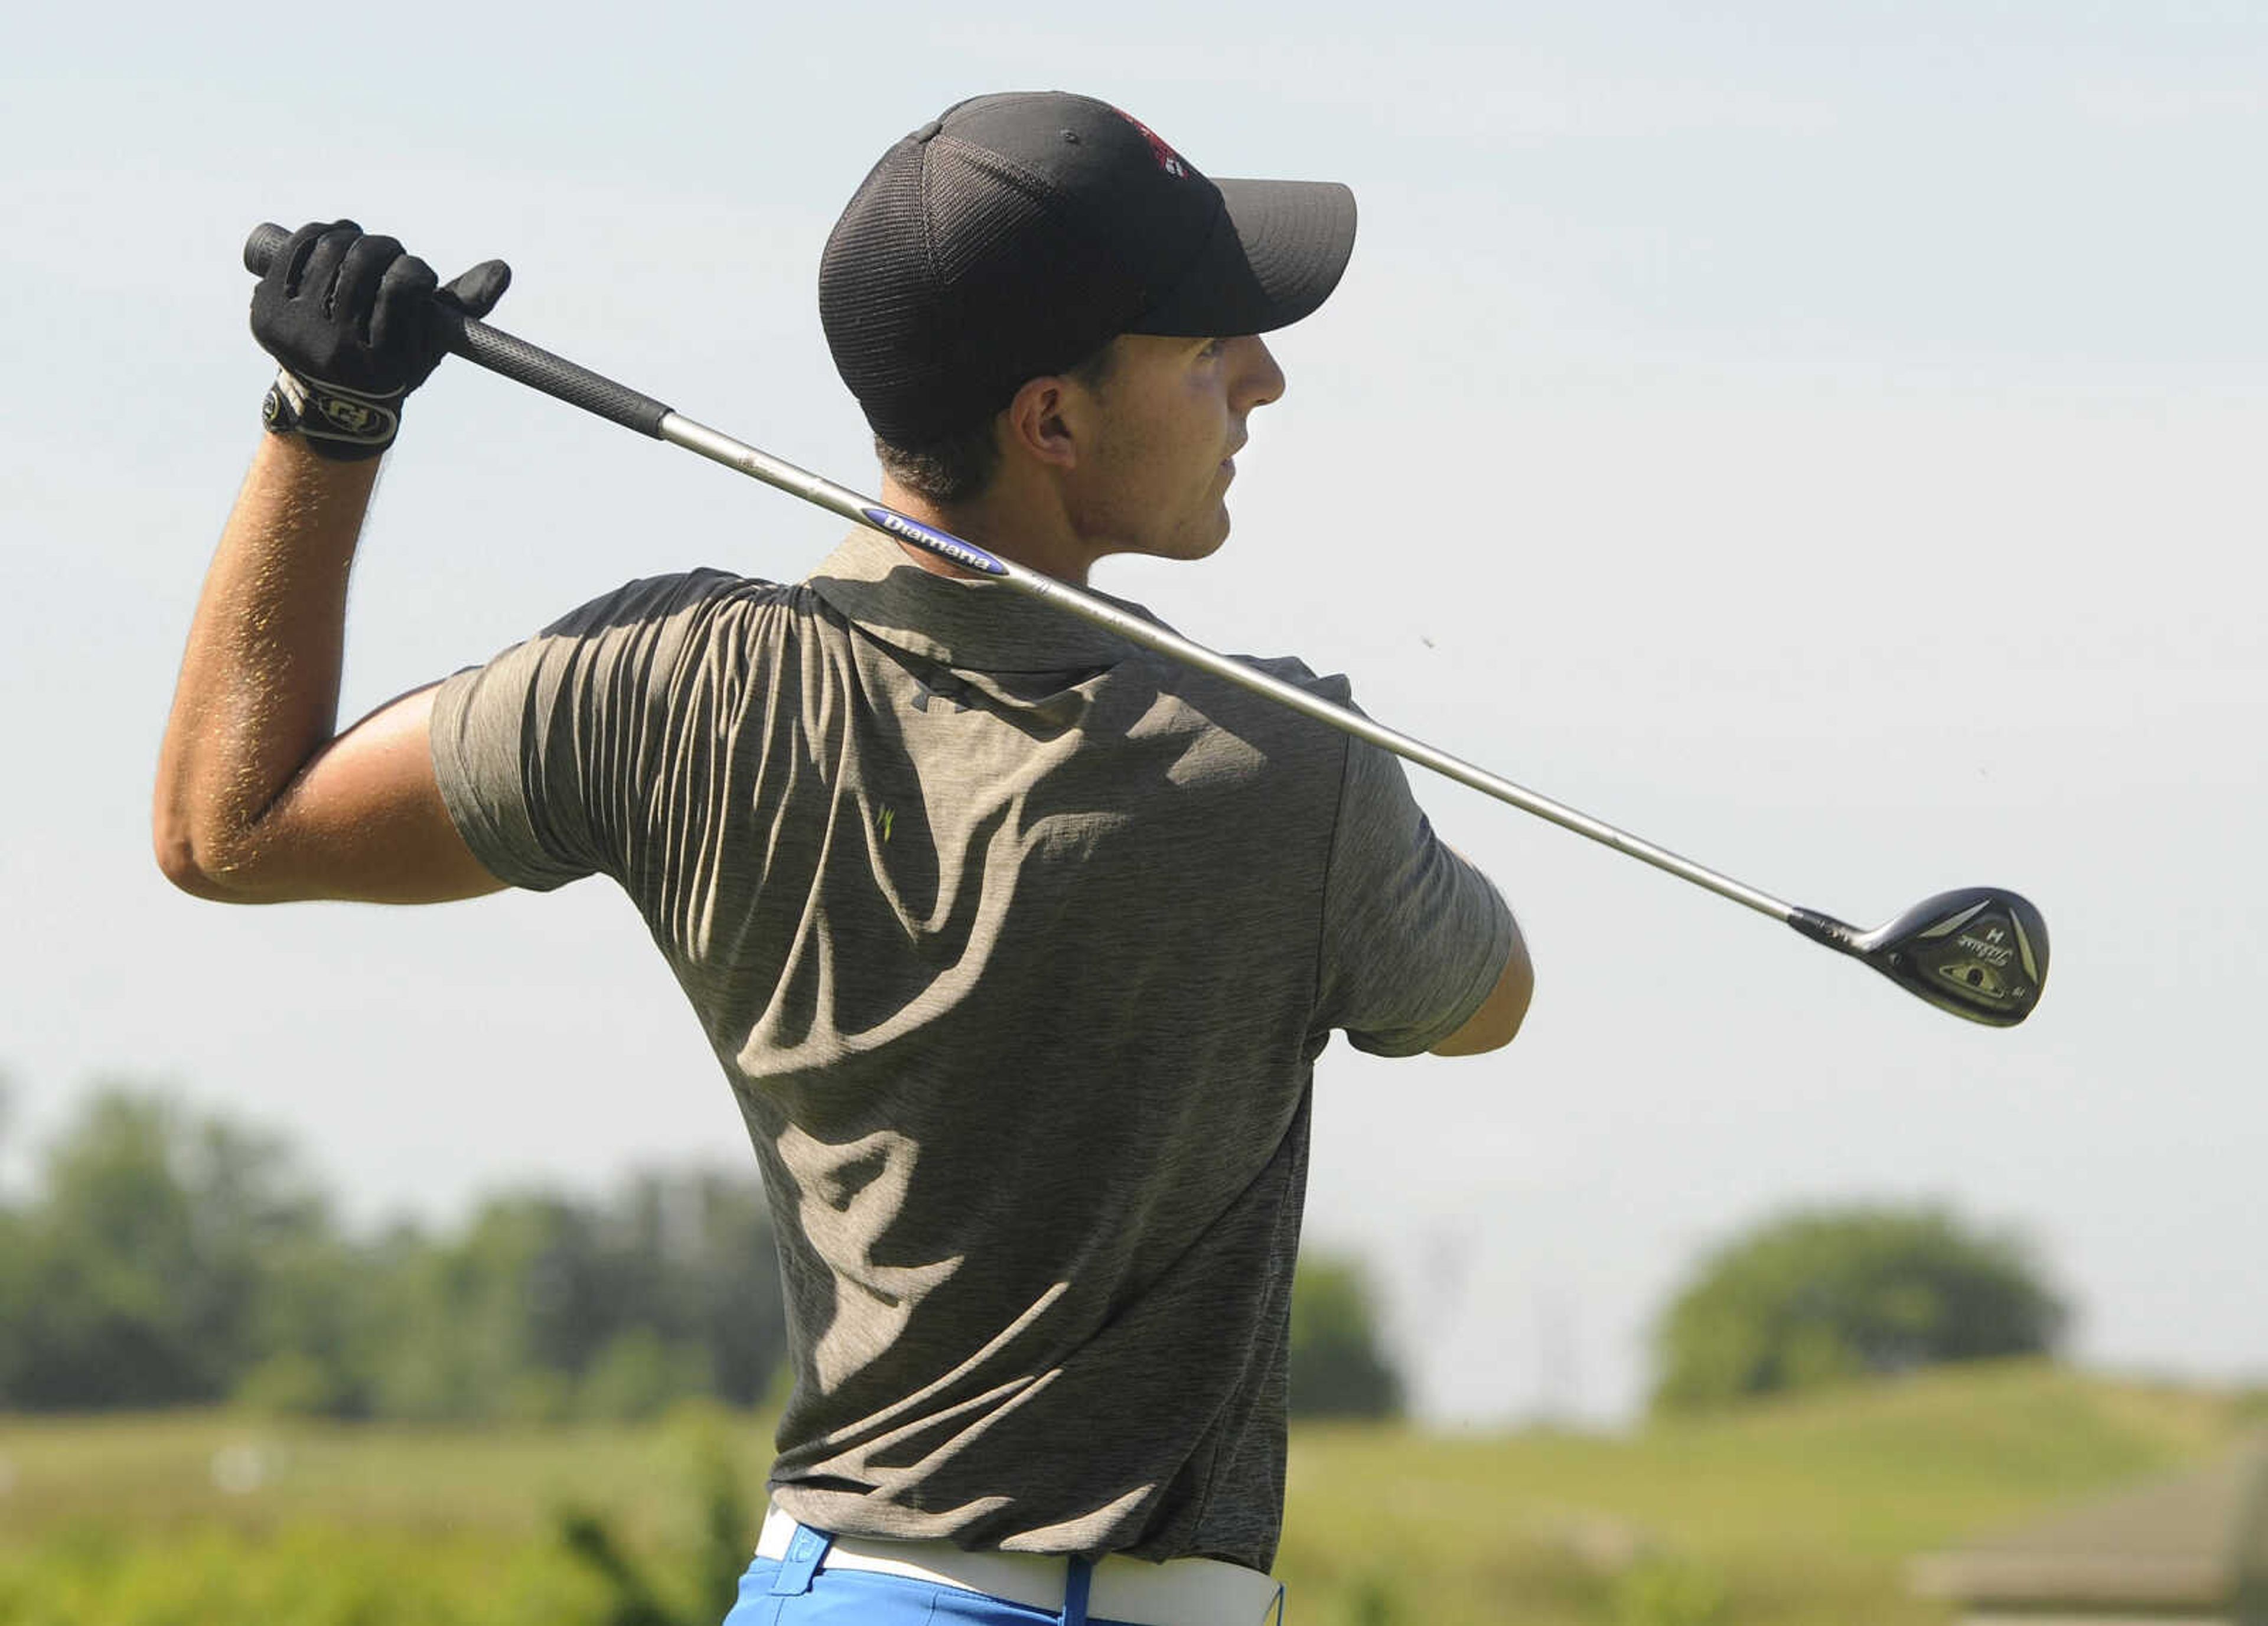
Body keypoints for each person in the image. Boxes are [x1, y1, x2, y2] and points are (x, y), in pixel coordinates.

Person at [155, 90, 1532, 1626]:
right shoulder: (1281, 761)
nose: (1262, 379)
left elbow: (229, 829)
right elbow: (1485, 999)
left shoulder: (667, 683)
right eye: (1209, 343)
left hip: (827, 1594)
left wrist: (325, 419)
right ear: (1051, 420)